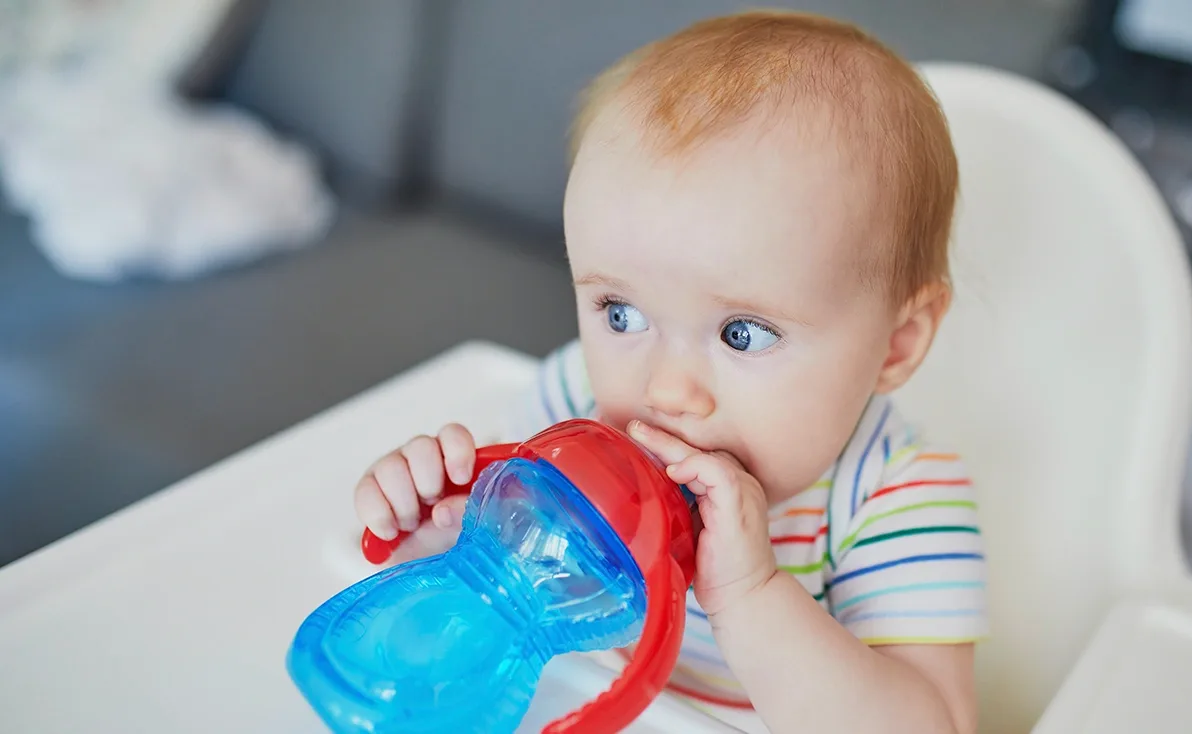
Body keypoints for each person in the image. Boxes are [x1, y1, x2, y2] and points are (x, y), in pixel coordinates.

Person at [353, 10, 985, 733]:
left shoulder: (893, 499)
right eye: (621, 314)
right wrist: (439, 541)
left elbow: (938, 726)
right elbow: (513, 604)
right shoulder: (576, 406)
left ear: (896, 345)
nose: (665, 391)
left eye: (743, 333)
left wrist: (751, 593)